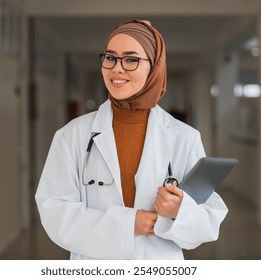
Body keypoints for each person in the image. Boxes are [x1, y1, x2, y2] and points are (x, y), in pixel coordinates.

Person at [35, 19, 228, 260]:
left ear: (154, 67)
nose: (117, 68)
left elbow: (209, 220)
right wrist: (127, 225)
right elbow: (54, 211)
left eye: (131, 59)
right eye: (110, 57)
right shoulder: (71, 136)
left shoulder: (183, 137)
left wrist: (180, 211)